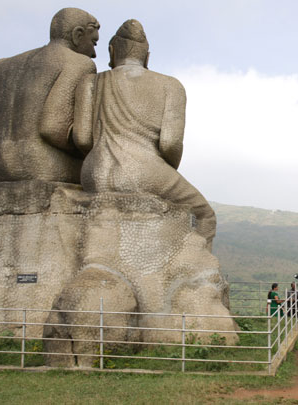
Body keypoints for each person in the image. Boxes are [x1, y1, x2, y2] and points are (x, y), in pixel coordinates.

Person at [72, 19, 216, 250]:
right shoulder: (170, 85)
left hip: (93, 172)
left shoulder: (90, 83)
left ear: (112, 52)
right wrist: (164, 169)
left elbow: (82, 138)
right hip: (146, 171)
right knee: (204, 214)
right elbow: (170, 144)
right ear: (147, 57)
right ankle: (192, 270)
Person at [0, 8, 100, 183]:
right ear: (77, 35)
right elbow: (53, 128)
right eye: (93, 42)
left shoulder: (0, 67)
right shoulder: (79, 63)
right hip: (46, 168)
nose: (94, 54)